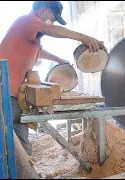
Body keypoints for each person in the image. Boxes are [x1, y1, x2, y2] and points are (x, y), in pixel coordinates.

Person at [0, 1, 104, 156]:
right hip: (4, 91)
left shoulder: (31, 33)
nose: (53, 21)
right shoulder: (27, 21)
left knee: (20, 140)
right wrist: (84, 38)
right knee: (11, 142)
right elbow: (49, 29)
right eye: (53, 17)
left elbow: (39, 51)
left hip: (11, 92)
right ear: (43, 11)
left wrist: (60, 60)